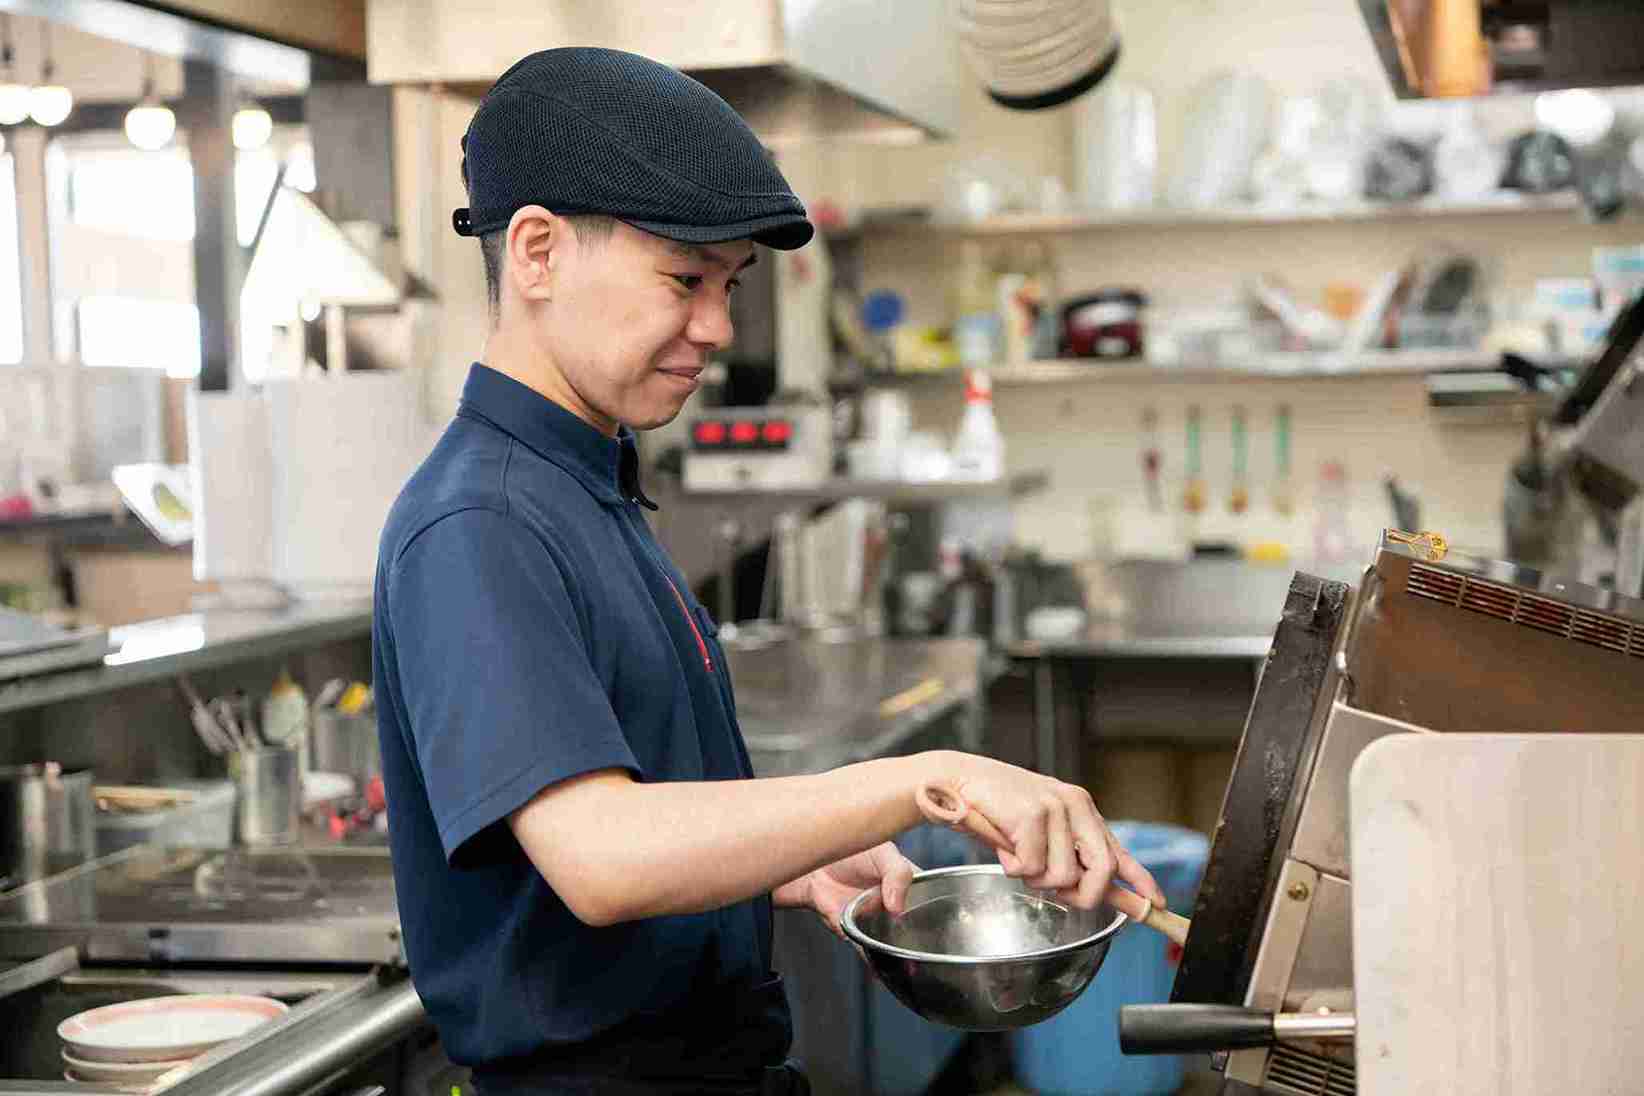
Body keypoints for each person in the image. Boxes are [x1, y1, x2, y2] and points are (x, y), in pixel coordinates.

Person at [373, 47, 1165, 1096]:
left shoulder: (587, 485)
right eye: (685, 280)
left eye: (730, 285)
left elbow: (637, 805)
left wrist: (787, 863)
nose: (717, 328)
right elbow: (600, 854)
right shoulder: (481, 521)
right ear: (537, 252)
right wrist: (928, 779)